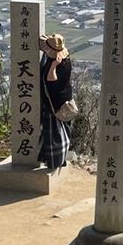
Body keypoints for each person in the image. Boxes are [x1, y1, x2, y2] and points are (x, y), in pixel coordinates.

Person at [39, 32, 73, 171]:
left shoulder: (61, 64)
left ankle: (56, 160)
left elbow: (51, 79)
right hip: (62, 101)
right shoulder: (65, 60)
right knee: (60, 132)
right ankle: (57, 159)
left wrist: (53, 65)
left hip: (56, 104)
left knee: (56, 135)